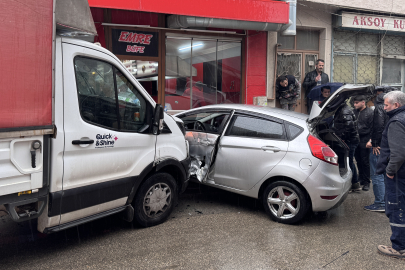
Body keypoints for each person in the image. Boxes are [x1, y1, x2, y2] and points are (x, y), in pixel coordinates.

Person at [376, 91, 405, 259]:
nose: (384, 108)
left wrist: (390, 171)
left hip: (398, 174)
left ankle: (399, 248)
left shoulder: (396, 121)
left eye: (386, 105)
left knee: (396, 208)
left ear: (396, 105)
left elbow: (399, 153)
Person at [365, 88, 389, 212]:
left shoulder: (379, 107)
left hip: (378, 147)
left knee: (377, 174)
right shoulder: (393, 108)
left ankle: (380, 203)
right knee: (385, 175)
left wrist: (374, 143)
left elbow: (378, 126)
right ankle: (385, 202)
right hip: (388, 145)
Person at [332, 102, 361, 191]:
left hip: (349, 140)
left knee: (348, 162)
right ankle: (355, 184)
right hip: (350, 140)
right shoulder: (343, 109)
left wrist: (343, 138)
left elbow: (349, 126)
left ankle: (354, 184)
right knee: (349, 162)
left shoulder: (344, 111)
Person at [353, 95, 373, 191]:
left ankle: (366, 182)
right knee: (358, 160)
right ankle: (361, 178)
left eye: (357, 103)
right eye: (354, 102)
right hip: (356, 139)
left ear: (363, 102)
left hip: (365, 139)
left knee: (365, 161)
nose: (354, 104)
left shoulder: (370, 113)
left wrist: (370, 140)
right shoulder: (354, 112)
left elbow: (373, 128)